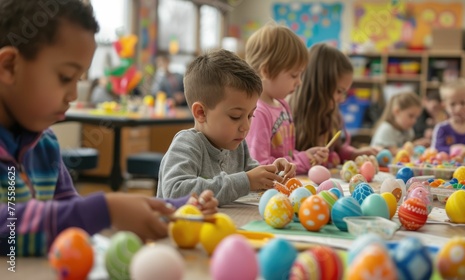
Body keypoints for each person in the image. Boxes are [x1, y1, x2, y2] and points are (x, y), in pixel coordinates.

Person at [0, 0, 217, 256]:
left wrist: (177, 206)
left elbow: (69, 214)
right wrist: (107, 209)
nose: (72, 94)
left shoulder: (44, 143)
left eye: (78, 79)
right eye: (66, 77)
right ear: (9, 66)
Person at [156, 49, 296, 206]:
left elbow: (252, 175)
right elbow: (175, 191)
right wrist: (247, 181)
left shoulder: (237, 144)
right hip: (184, 228)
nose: (245, 126)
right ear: (201, 112)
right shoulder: (187, 144)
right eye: (235, 117)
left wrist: (274, 173)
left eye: (251, 116)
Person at [244, 23, 329, 174]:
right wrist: (301, 161)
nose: (299, 82)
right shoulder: (259, 113)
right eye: (294, 75)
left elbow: (283, 156)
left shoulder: (282, 105)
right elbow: (259, 166)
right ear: (267, 71)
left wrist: (306, 155)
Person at [290, 43, 378, 167]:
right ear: (319, 86)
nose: (342, 99)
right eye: (338, 91)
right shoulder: (288, 118)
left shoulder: (332, 115)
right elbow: (284, 161)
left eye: (344, 93)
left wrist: (354, 153)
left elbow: (336, 149)